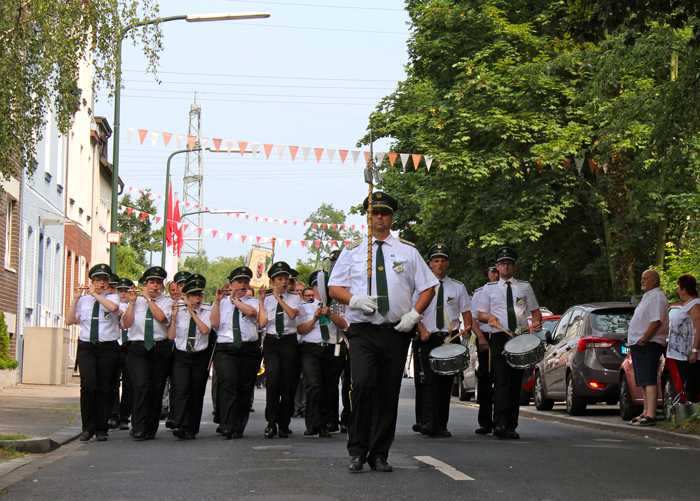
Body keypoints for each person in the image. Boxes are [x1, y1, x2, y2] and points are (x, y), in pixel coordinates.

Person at [329, 191, 438, 473]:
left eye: (385, 213)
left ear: (392, 217)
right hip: (363, 331)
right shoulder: (353, 250)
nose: (380, 217)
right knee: (363, 385)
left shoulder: (408, 251)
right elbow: (334, 287)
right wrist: (353, 299)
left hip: (395, 331)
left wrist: (414, 314)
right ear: (368, 217)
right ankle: (357, 450)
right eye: (375, 212)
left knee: (388, 392)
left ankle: (379, 453)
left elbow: (428, 287)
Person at [477, 247, 541, 439]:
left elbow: (535, 313)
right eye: (502, 264)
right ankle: (499, 423)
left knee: (515, 382)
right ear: (497, 267)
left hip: (519, 337)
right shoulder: (489, 289)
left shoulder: (524, 287)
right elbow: (480, 314)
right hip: (499, 337)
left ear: (514, 267)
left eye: (509, 264)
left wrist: (536, 324)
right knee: (501, 380)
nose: (506, 267)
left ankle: (511, 425)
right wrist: (490, 318)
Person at [413, 243, 472, 438]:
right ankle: (427, 422)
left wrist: (466, 330)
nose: (439, 264)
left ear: (447, 263)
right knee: (428, 381)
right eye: (436, 260)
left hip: (449, 338)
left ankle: (441, 424)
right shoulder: (420, 286)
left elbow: (466, 314)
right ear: (429, 264)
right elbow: (411, 311)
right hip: (427, 337)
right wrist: (421, 330)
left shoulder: (458, 287)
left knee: (446, 383)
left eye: (443, 260)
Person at [66, 263, 124, 442]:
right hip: (87, 346)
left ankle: (101, 428)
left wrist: (96, 295)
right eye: (98, 280)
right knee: (88, 386)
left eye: (104, 280)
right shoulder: (84, 300)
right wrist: (75, 299)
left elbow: (113, 309)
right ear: (92, 281)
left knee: (105, 387)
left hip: (107, 347)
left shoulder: (113, 297)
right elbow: (69, 320)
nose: (101, 283)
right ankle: (87, 427)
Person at [121, 266, 173, 441]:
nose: (155, 286)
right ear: (145, 284)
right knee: (141, 386)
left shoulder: (166, 302)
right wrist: (132, 303)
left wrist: (148, 300)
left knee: (156, 389)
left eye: (158, 282)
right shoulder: (135, 300)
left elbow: (162, 319)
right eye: (151, 282)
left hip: (159, 347)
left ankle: (151, 427)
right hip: (138, 347)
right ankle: (138, 426)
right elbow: (126, 324)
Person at [211, 266, 263, 439]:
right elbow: (214, 323)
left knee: (244, 388)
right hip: (226, 348)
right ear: (231, 284)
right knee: (228, 385)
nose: (242, 285)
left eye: (245, 282)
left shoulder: (253, 301)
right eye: (239, 282)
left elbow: (251, 313)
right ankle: (227, 424)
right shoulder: (221, 302)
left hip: (249, 348)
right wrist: (217, 302)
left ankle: (238, 426)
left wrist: (235, 301)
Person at [297, 270, 349, 437]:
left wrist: (330, 314)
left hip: (332, 348)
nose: (321, 291)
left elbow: (345, 325)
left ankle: (325, 423)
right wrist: (314, 318)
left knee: (329, 386)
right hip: (311, 349)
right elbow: (300, 329)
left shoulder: (338, 306)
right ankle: (313, 423)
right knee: (313, 385)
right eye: (317, 287)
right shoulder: (305, 307)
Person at [260, 261, 302, 438]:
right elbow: (262, 323)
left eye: (285, 278)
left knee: (287, 384)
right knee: (272, 382)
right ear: (272, 281)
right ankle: (271, 422)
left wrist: (278, 298)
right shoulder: (266, 299)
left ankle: (284, 423)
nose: (284, 282)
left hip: (288, 341)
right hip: (272, 341)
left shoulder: (295, 298)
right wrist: (261, 302)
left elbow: (292, 314)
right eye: (279, 279)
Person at [168, 274, 211, 440]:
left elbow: (205, 330)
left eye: (199, 295)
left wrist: (193, 313)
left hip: (199, 355)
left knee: (196, 391)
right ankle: (181, 423)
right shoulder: (178, 310)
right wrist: (173, 318)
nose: (197, 298)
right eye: (193, 295)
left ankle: (192, 428)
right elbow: (171, 336)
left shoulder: (206, 310)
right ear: (186, 296)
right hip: (182, 355)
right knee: (181, 389)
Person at [627, 269, 669, 426]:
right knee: (643, 380)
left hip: (649, 343)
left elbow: (656, 321)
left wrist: (645, 338)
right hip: (641, 344)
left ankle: (651, 414)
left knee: (649, 378)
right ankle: (645, 411)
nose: (642, 281)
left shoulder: (657, 296)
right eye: (642, 278)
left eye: (645, 278)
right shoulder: (648, 296)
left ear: (654, 280)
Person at [473, 265, 498, 435]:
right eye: (493, 271)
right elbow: (473, 318)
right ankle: (485, 422)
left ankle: (501, 421)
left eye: (497, 270)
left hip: (503, 336)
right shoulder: (480, 293)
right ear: (487, 274)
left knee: (502, 379)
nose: (496, 273)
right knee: (485, 379)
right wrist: (481, 338)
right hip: (486, 337)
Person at [667, 274, 700, 402]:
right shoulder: (686, 304)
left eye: (678, 287)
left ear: (684, 289)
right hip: (680, 354)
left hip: (689, 354)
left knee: (692, 386)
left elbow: (698, 328)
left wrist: (694, 350)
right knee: (686, 385)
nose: (677, 290)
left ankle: (694, 409)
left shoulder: (695, 305)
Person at [111, 277, 135, 431]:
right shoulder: (112, 304)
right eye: (120, 290)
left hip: (130, 345)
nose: (123, 293)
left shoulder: (136, 305)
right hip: (115, 344)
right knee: (112, 382)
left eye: (126, 290)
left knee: (129, 383)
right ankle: (113, 414)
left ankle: (124, 416)